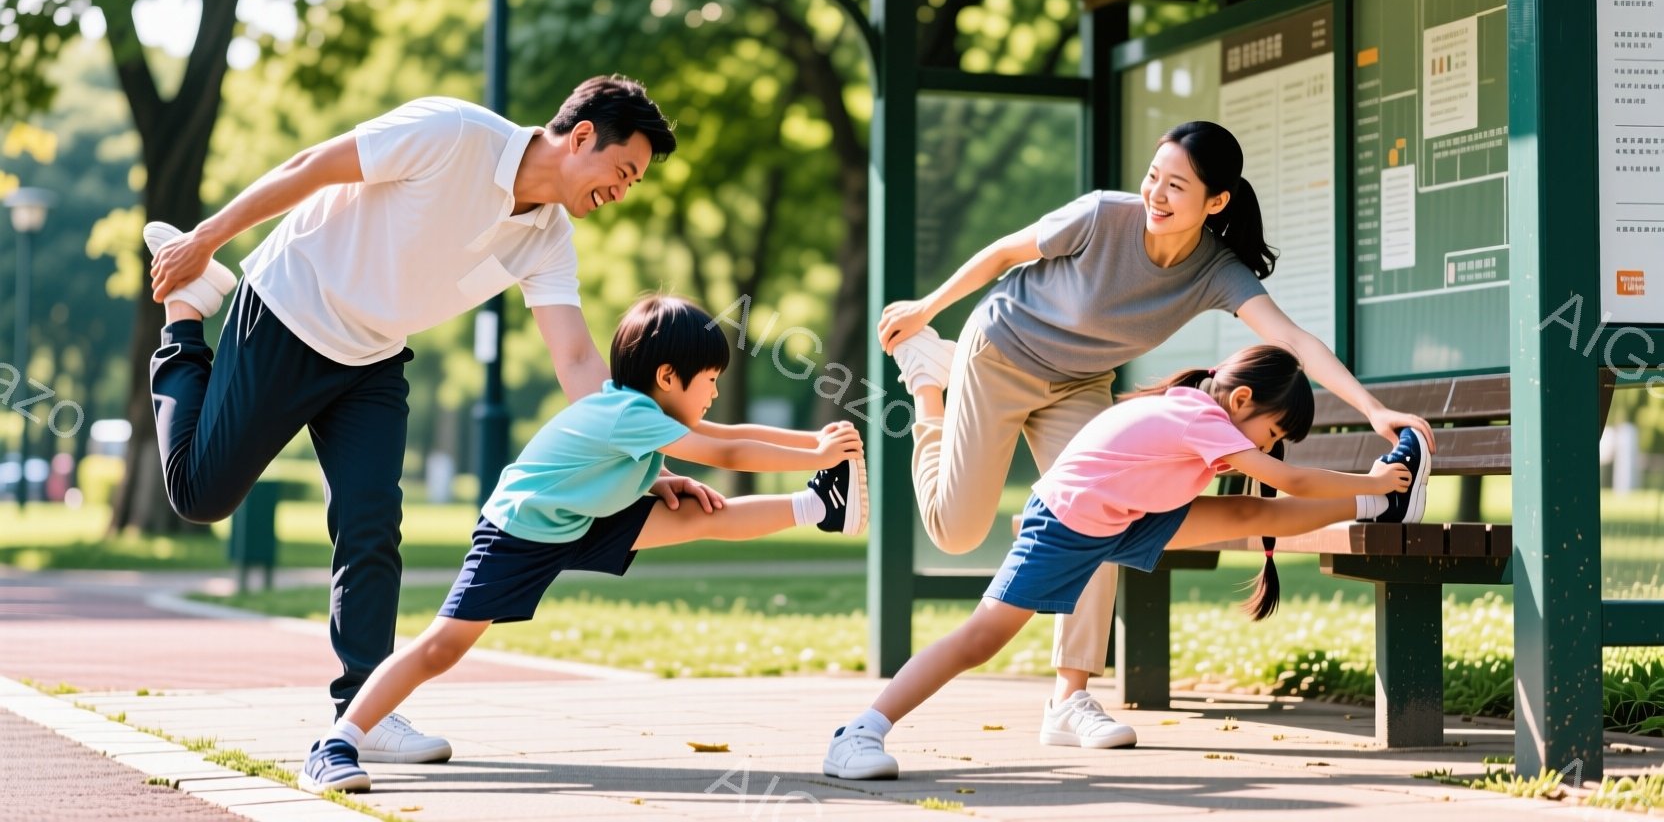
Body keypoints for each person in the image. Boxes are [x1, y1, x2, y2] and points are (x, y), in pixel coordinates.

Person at [144, 76, 718, 762]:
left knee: (371, 525)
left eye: (633, 183)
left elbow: (575, 360)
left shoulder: (548, 239)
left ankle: (362, 713)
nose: (622, 191)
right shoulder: (454, 134)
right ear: (583, 137)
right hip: (287, 309)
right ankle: (186, 312)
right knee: (200, 496)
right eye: (622, 172)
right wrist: (204, 241)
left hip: (372, 359)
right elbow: (312, 166)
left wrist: (640, 461)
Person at [878, 120, 1440, 746]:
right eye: (1154, 177)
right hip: (1002, 354)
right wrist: (925, 309)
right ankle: (928, 382)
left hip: (1079, 383)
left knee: (1097, 516)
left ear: (1216, 202)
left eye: (1177, 185)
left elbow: (1294, 341)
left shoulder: (1215, 271)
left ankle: (1069, 698)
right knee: (955, 532)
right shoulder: (1102, 216)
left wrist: (1373, 410)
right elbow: (1005, 253)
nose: (1156, 194)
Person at [297, 295, 869, 794]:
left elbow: (722, 436)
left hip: (579, 517)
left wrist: (809, 447)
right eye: (711, 379)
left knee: (697, 514)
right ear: (668, 377)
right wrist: (817, 449)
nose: (716, 392)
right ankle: (337, 742)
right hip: (519, 533)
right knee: (440, 650)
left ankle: (821, 505)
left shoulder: (640, 411)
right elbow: (728, 451)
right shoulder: (631, 414)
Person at [823, 345, 1430, 780]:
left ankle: (1383, 505)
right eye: (1271, 433)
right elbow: (1289, 480)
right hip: (1064, 525)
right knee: (979, 639)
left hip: (1123, 517)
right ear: (1242, 399)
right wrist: (1371, 473)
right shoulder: (1198, 416)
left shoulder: (1199, 409)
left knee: (1248, 513)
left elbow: (1267, 490)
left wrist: (1373, 489)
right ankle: (858, 733)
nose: (1267, 447)